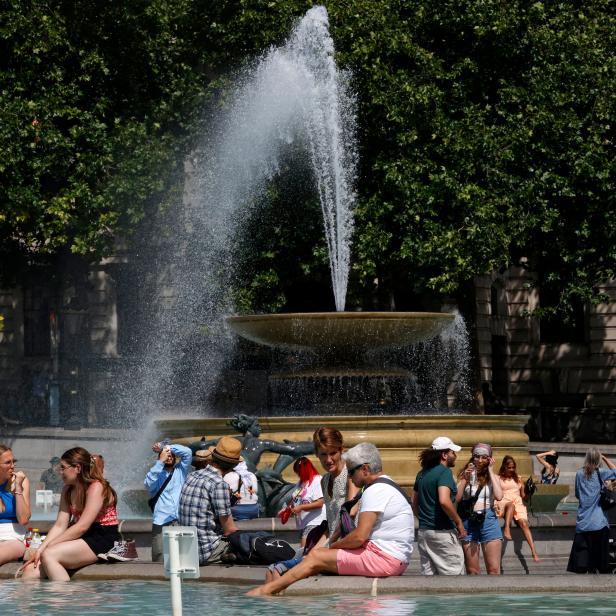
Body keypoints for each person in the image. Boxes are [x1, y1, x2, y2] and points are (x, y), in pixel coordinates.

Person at [247, 442, 413, 596]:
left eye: (351, 471)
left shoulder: (375, 491)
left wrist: (333, 546)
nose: (349, 475)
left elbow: (359, 537)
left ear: (365, 469)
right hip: (391, 557)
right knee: (318, 557)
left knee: (318, 556)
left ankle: (267, 590)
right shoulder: (386, 485)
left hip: (384, 559)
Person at [265, 426, 359, 582]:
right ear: (316, 454)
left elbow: (350, 516)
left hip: (347, 547)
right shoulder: (325, 481)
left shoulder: (350, 475)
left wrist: (319, 552)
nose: (328, 460)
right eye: (323, 454)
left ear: (341, 450)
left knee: (279, 570)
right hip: (330, 545)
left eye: (333, 453)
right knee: (272, 570)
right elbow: (331, 526)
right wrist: (314, 551)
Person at [20, 446, 119, 581]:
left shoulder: (96, 487)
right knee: (30, 571)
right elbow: (60, 525)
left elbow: (82, 526)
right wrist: (40, 549)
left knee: (49, 555)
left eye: (63, 468)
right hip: (81, 537)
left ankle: (66, 598)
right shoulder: (67, 489)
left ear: (77, 468)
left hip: (101, 537)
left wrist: (47, 547)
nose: (60, 472)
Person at [179, 436, 240, 565]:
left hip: (185, 549)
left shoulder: (191, 476)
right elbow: (230, 529)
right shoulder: (219, 484)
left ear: (213, 457)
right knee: (252, 546)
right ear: (234, 465)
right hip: (206, 551)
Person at [412, 436, 466, 575]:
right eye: (453, 452)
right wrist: (459, 522)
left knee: (431, 582)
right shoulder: (444, 472)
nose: (455, 456)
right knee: (455, 580)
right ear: (444, 455)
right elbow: (444, 500)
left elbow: (414, 502)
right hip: (443, 532)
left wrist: (425, 519)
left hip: (424, 533)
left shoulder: (422, 473)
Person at [456, 442, 503, 575]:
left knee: (493, 569)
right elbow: (457, 498)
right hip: (468, 520)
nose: (480, 460)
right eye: (477, 456)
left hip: (488, 519)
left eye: (484, 457)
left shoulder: (493, 477)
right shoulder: (465, 474)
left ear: (490, 459)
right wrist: (465, 478)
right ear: (472, 457)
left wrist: (491, 471)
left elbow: (499, 496)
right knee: (472, 570)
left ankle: (494, 596)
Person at [567, 448, 616, 573]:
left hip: (583, 522)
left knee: (584, 559)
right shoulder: (601, 472)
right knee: (600, 559)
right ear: (598, 459)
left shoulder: (579, 473)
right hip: (599, 522)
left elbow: (577, 494)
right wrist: (605, 458)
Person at [144, 440, 193, 562]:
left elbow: (187, 452)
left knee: (183, 558)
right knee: (159, 558)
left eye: (171, 455)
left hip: (180, 520)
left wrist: (166, 447)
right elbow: (148, 485)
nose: (169, 456)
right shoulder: (156, 473)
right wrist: (160, 461)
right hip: (161, 522)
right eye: (166, 455)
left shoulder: (181, 470)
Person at [495, 455, 539, 562]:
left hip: (518, 502)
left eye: (513, 467)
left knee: (524, 523)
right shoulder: (498, 478)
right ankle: (507, 529)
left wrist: (529, 491)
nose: (511, 469)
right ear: (504, 467)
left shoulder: (518, 479)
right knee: (510, 505)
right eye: (509, 467)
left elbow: (524, 497)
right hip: (504, 501)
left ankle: (534, 551)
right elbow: (495, 493)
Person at [280, 457, 325, 547]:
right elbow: (296, 500)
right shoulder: (301, 483)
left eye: (299, 472)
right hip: (303, 523)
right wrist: (287, 510)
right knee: (303, 551)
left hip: (315, 522)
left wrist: (301, 507)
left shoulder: (317, 480)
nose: (298, 475)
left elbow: (320, 503)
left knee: (304, 550)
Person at [0, 444, 31, 566]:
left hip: (13, 538)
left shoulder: (22, 481)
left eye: (14, 462)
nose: (13, 466)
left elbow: (24, 519)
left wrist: (18, 488)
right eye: (8, 463)